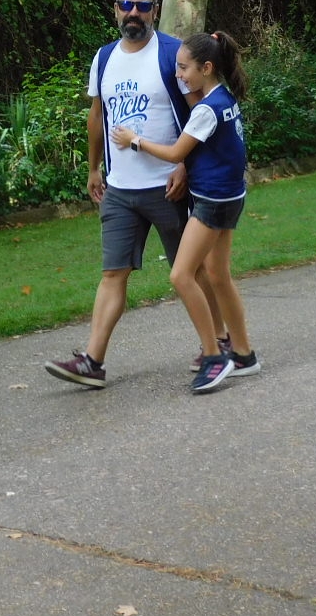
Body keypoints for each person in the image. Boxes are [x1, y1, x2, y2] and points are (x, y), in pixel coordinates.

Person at [44, 0, 225, 389]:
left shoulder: (173, 54)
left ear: (155, 11)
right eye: (127, 5)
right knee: (113, 273)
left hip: (168, 187)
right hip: (120, 190)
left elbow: (200, 111)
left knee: (193, 271)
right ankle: (92, 362)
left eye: (143, 6)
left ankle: (219, 344)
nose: (134, 13)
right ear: (115, 9)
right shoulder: (105, 57)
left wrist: (185, 166)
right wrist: (94, 168)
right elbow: (97, 116)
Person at [109, 31, 259, 394]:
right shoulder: (222, 97)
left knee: (181, 275)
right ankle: (243, 354)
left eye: (183, 68)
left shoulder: (206, 110)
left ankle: (214, 357)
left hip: (213, 202)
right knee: (218, 275)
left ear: (206, 68)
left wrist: (134, 140)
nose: (178, 75)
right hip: (229, 197)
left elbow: (177, 153)